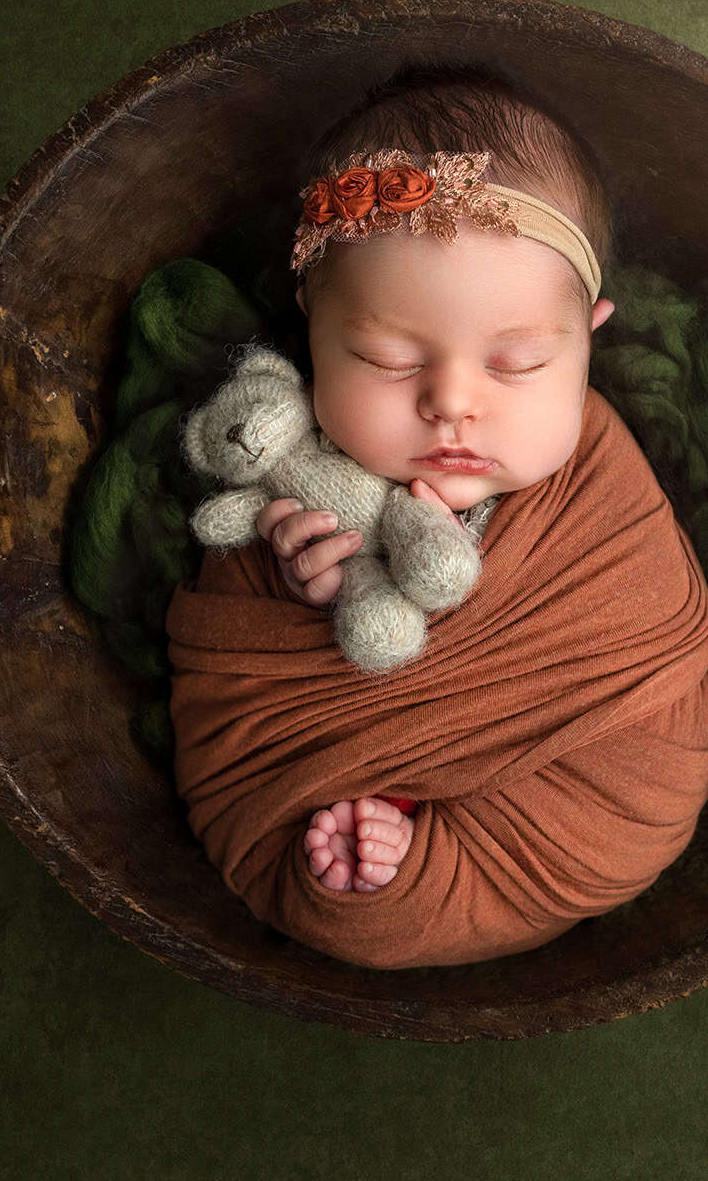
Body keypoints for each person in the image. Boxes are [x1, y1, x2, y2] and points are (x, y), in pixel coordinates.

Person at [253, 60, 621, 895]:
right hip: (345, 754)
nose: (452, 402)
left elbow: (642, 640)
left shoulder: (604, 490)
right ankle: (391, 845)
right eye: (388, 359)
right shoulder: (294, 466)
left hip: (556, 792)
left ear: (589, 341)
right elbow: (240, 653)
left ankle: (423, 856)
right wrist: (298, 586)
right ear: (311, 328)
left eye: (519, 363)